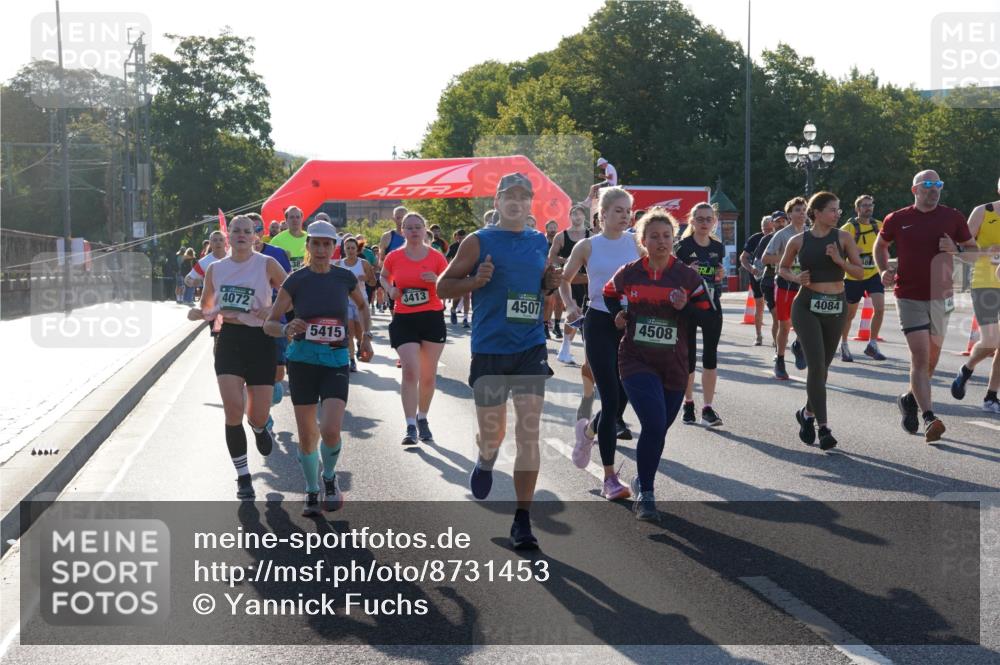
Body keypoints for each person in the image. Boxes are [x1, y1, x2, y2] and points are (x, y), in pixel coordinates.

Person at [437, 172, 561, 550]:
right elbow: (443, 286)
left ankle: (522, 519)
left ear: (530, 205)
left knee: (528, 432)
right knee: (494, 434)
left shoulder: (540, 241)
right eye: (510, 196)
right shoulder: (478, 242)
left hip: (530, 347)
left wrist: (549, 284)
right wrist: (475, 283)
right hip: (490, 348)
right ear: (497, 202)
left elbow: (541, 286)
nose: (517, 202)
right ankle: (486, 457)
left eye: (525, 197)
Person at [603, 208, 711, 520]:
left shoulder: (686, 276)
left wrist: (685, 307)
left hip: (675, 363)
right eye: (654, 236)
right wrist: (618, 315)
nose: (661, 241)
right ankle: (647, 494)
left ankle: (641, 477)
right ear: (643, 240)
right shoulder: (630, 272)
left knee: (659, 429)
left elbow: (709, 319)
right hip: (636, 358)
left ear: (674, 238)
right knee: (652, 424)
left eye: (666, 236)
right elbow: (609, 294)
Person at [265, 220, 373, 515]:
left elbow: (362, 307)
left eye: (328, 244)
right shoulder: (296, 280)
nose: (322, 249)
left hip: (336, 359)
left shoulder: (343, 278)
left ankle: (329, 478)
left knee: (331, 429)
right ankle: (312, 489)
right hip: (302, 361)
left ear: (334, 247)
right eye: (317, 244)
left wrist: (366, 338)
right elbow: (270, 323)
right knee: (306, 434)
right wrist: (287, 329)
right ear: (309, 246)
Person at [187, 215, 286, 500]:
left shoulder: (266, 263)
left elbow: (292, 291)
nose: (241, 235)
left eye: (247, 231)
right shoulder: (216, 269)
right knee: (232, 410)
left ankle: (259, 426)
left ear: (256, 236)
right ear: (227, 235)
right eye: (236, 231)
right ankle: (243, 477)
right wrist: (199, 313)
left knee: (257, 413)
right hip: (228, 338)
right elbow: (208, 307)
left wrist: (273, 311)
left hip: (260, 341)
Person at [874, 170, 976, 442]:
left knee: (931, 361)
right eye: (928, 184)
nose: (934, 189)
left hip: (941, 297)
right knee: (920, 358)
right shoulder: (898, 219)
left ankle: (909, 399)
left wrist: (955, 249)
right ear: (915, 189)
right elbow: (880, 245)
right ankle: (930, 416)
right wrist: (883, 269)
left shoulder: (953, 217)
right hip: (908, 296)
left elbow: (974, 254)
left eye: (938, 184)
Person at [561, 186, 639, 500]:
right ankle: (610, 478)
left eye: (627, 211)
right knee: (609, 399)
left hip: (630, 323)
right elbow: (565, 279)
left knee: (624, 396)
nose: (624, 216)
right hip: (599, 322)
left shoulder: (638, 242)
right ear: (602, 214)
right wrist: (569, 305)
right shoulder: (587, 246)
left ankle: (589, 431)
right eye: (617, 210)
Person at [780, 192, 864, 450]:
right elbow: (782, 268)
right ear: (815, 213)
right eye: (832, 210)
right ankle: (824, 427)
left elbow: (860, 272)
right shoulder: (797, 240)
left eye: (838, 209)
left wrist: (840, 261)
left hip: (836, 306)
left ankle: (806, 414)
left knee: (823, 369)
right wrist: (796, 278)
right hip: (806, 306)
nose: (837, 214)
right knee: (817, 366)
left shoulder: (844, 237)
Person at [381, 213, 449, 444]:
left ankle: (422, 418)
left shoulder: (437, 257)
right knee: (410, 371)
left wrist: (437, 279)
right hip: (404, 318)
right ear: (402, 231)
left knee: (428, 376)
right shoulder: (394, 257)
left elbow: (448, 283)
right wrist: (390, 289)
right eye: (409, 228)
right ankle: (410, 426)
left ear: (425, 229)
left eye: (418, 227)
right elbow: (383, 276)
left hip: (431, 317)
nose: (414, 231)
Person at [951, 178, 1000, 413]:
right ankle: (967, 368)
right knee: (991, 340)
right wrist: (986, 251)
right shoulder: (983, 211)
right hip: (985, 283)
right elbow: (961, 250)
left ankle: (991, 397)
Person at [676, 203, 726, 427]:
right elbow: (673, 278)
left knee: (710, 357)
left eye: (708, 219)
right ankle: (688, 403)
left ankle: (707, 407)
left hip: (711, 306)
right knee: (689, 358)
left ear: (714, 222)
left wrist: (720, 274)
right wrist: (688, 273)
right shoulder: (683, 247)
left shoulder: (718, 247)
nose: (704, 223)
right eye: (700, 219)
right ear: (692, 221)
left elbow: (717, 275)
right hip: (688, 307)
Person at [249, 213, 292, 410]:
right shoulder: (232, 258)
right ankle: (263, 416)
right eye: (250, 230)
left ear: (263, 231)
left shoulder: (277, 254)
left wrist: (272, 308)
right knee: (251, 373)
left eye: (258, 230)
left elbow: (290, 289)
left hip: (275, 320)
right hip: (245, 324)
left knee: (277, 372)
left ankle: (271, 393)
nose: (254, 235)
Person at [764, 198, 809, 379]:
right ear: (789, 214)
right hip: (786, 284)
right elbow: (765, 259)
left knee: (805, 323)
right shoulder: (782, 235)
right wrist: (784, 257)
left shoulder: (811, 233)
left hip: (806, 285)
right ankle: (780, 359)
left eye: (804, 210)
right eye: (798, 210)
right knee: (784, 325)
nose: (802, 213)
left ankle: (798, 345)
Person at [839, 195, 887, 362]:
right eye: (864, 206)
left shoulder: (879, 225)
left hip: (873, 274)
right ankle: (844, 344)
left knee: (880, 308)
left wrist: (885, 268)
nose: (868, 208)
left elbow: (884, 247)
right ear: (857, 209)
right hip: (854, 276)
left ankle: (872, 344)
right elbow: (837, 249)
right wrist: (851, 251)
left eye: (870, 205)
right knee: (849, 314)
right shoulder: (848, 228)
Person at [551, 204, 591, 366]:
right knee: (574, 311)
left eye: (580, 214)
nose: (577, 217)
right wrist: (565, 260)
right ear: (569, 216)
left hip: (587, 279)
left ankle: (565, 349)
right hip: (569, 279)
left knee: (583, 315)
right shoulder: (562, 236)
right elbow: (552, 256)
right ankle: (565, 349)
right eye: (574, 214)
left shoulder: (591, 235)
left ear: (584, 217)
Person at [335, 236, 377, 372]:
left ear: (357, 249)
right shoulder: (338, 265)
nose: (351, 250)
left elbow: (373, 282)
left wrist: (366, 278)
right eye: (348, 248)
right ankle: (351, 360)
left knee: (360, 333)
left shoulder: (363, 263)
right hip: (345, 302)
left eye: (353, 248)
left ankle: (360, 344)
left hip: (361, 302)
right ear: (344, 249)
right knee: (349, 333)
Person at [740, 215, 775, 345]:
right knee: (759, 304)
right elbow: (743, 258)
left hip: (773, 275)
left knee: (775, 308)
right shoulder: (755, 238)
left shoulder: (778, 237)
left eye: (770, 229)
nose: (767, 232)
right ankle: (758, 335)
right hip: (757, 274)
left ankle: (776, 338)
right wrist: (751, 268)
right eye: (764, 229)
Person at [756, 211, 787, 347]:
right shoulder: (766, 239)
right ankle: (777, 348)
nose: (780, 224)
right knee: (777, 316)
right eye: (777, 221)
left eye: (782, 221)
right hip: (769, 281)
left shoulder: (793, 237)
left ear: (787, 221)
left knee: (788, 318)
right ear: (772, 223)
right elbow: (759, 261)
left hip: (788, 280)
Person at [378, 206, 408, 311]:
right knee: (395, 311)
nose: (401, 220)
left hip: (413, 277)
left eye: (404, 217)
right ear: (394, 219)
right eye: (399, 217)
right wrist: (387, 283)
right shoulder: (387, 237)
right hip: (394, 279)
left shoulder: (416, 234)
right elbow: (381, 260)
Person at [269, 206, 307, 272]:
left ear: (302, 219)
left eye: (298, 217)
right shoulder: (276, 241)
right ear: (286, 220)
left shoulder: (310, 238)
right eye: (291, 217)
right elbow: (269, 266)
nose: (295, 220)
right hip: (286, 280)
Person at [542, 220, 563, 341]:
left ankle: (556, 325)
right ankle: (545, 325)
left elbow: (560, 256)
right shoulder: (542, 240)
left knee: (560, 300)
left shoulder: (559, 241)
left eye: (555, 227)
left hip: (558, 272)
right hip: (546, 273)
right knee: (548, 301)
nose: (553, 229)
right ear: (546, 228)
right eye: (551, 227)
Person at [447, 229, 471, 327]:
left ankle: (465, 318)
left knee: (467, 295)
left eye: (463, 237)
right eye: (459, 237)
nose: (461, 239)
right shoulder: (453, 247)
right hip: (456, 273)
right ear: (456, 237)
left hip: (468, 272)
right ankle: (453, 309)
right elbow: (447, 258)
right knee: (458, 295)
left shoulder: (471, 246)